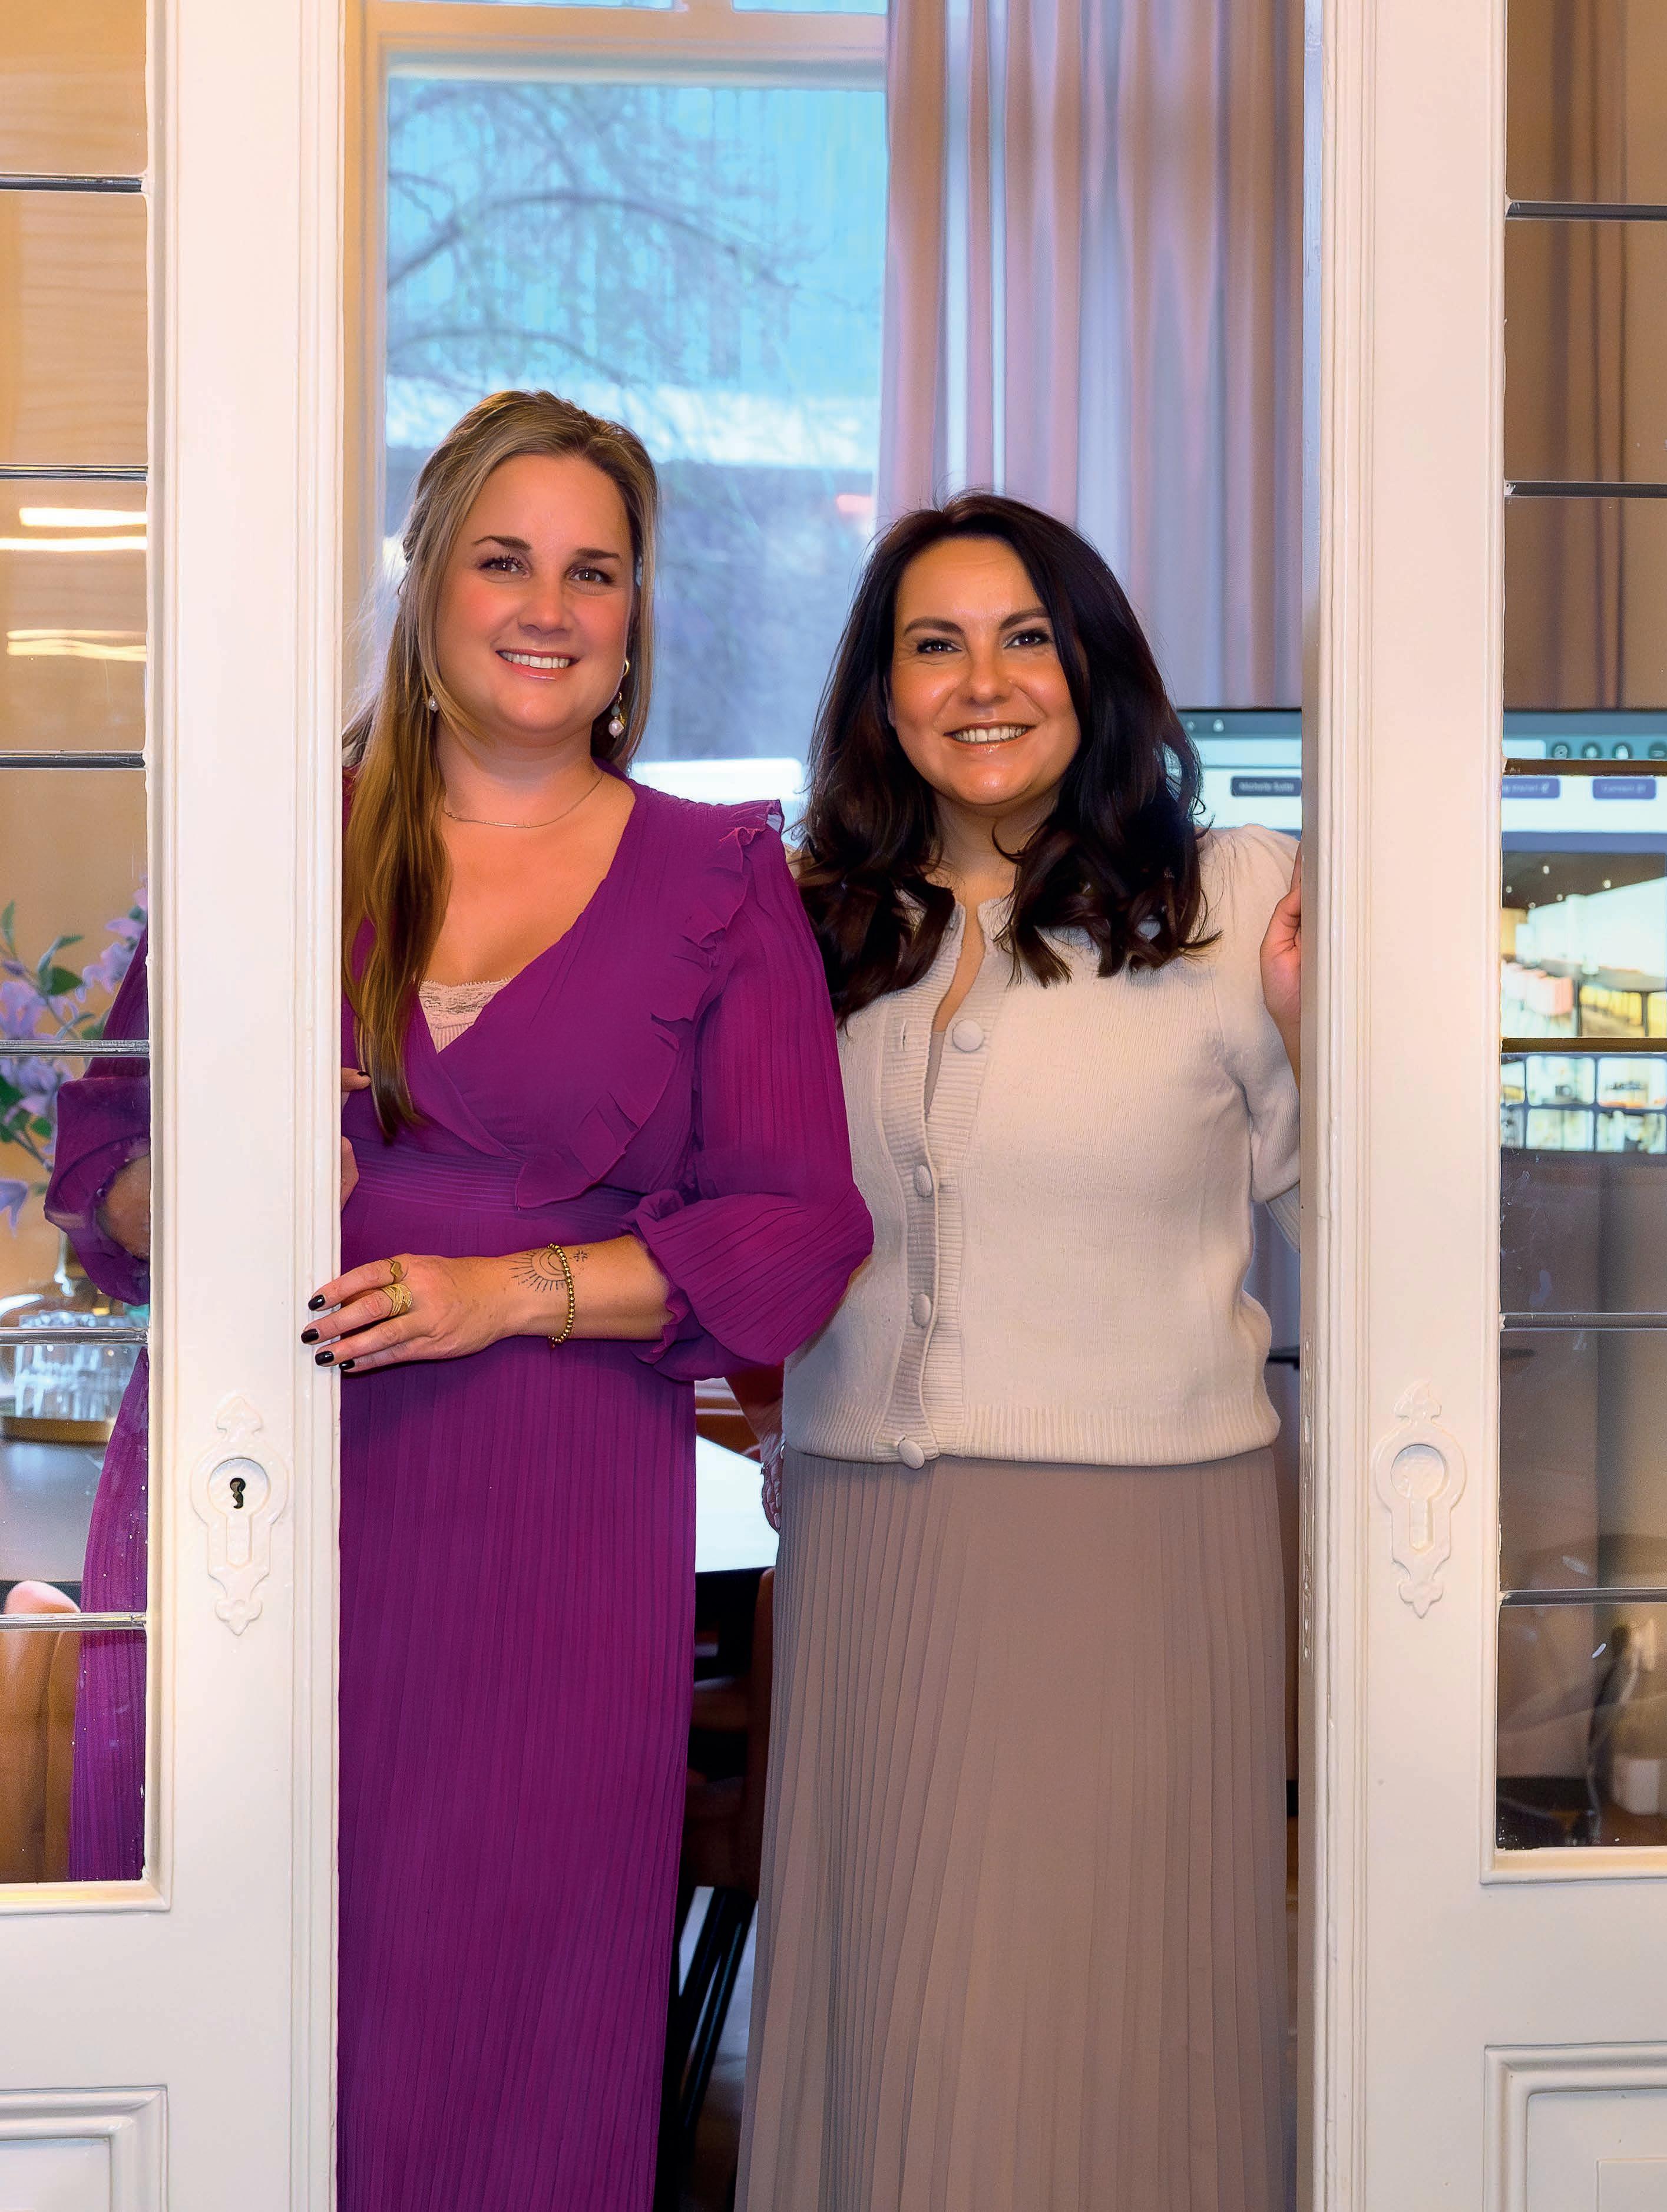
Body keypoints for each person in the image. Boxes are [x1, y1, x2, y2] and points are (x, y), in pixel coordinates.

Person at [48, 389, 871, 2212]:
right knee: (226, 1982)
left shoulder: (719, 878)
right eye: (506, 559)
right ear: (426, 587)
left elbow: (799, 1228)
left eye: (595, 570)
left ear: (637, 615)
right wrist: (222, 1185)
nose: (548, 607)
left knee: (502, 2010)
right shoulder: (279, 840)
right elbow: (100, 1162)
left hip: (544, 1528)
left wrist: (515, 1291)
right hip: (252, 1496)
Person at [733, 492, 1302, 2212]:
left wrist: (1330, 1035)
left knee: (1099, 2023)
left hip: (1138, 1550)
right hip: (864, 1539)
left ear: (1093, 668)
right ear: (880, 692)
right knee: (888, 2022)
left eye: (1025, 639)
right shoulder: (809, 925)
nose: (981, 683)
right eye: (934, 644)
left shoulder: (1234, 897)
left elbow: (1384, 1223)